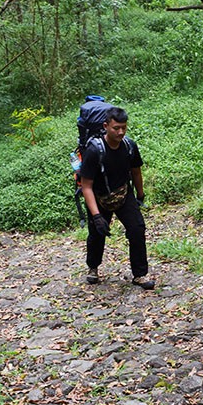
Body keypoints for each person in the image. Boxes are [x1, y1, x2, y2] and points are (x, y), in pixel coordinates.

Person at [80, 107, 154, 290]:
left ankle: (139, 275)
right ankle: (93, 268)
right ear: (106, 126)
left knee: (137, 229)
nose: (120, 132)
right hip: (98, 196)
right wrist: (97, 216)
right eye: (116, 128)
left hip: (123, 193)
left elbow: (136, 172)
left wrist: (140, 194)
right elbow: (86, 186)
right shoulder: (94, 151)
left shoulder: (129, 146)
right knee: (97, 233)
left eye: (123, 127)